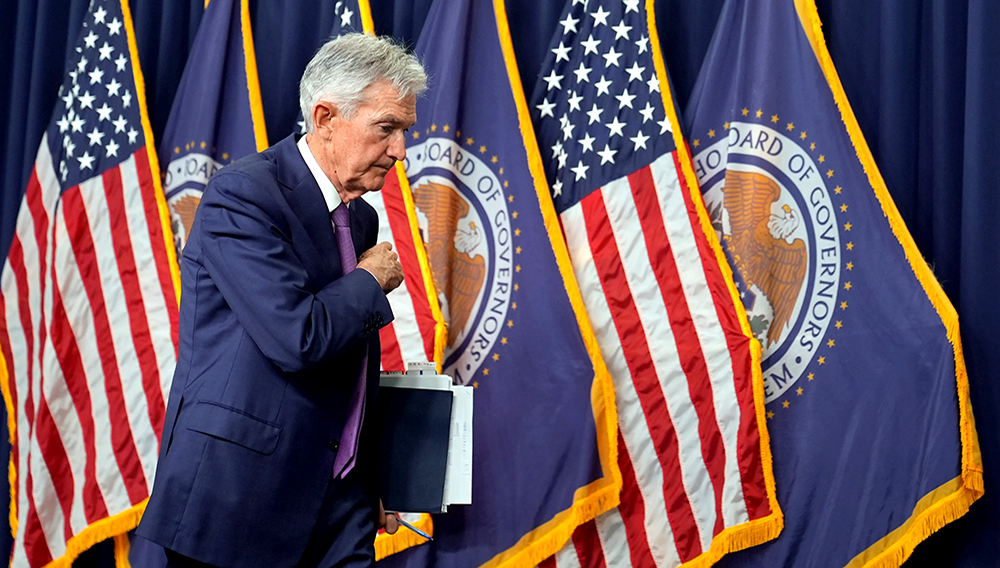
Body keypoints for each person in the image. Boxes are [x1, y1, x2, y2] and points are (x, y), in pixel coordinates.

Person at [136, 34, 427, 568]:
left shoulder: (358, 216)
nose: (400, 151)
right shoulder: (242, 195)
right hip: (239, 498)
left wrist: (375, 470)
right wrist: (368, 280)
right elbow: (298, 337)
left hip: (341, 502)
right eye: (386, 129)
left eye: (404, 131)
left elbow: (350, 360)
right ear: (325, 118)